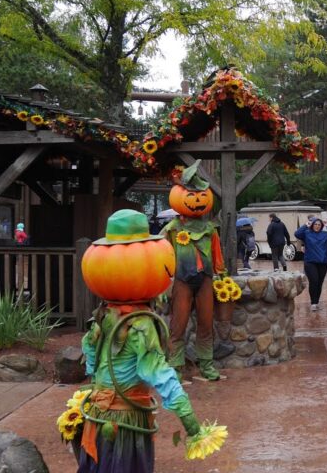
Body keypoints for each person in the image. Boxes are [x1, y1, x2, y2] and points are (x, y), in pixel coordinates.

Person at [71, 209, 226, 471]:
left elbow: (90, 350)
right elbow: (158, 372)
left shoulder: (104, 314)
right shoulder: (142, 325)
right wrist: (191, 423)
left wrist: (93, 386)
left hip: (98, 415)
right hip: (125, 422)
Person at [162, 161, 226, 382]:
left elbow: (217, 255)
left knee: (206, 323)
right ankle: (176, 367)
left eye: (202, 196)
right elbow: (162, 256)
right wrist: (162, 282)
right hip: (182, 281)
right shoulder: (172, 229)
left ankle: (206, 364)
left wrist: (223, 275)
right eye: (193, 196)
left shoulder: (210, 230)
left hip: (205, 281)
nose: (198, 201)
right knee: (178, 325)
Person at [293, 217, 327, 311]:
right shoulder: (306, 233)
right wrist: (306, 225)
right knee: (314, 281)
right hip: (310, 262)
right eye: (315, 224)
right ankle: (313, 303)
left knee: (319, 283)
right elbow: (297, 234)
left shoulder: (325, 234)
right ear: (312, 225)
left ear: (321, 226)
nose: (317, 226)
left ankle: (316, 302)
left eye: (319, 225)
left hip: (323, 262)